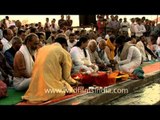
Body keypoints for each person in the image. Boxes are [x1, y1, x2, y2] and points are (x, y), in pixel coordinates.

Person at [22, 37, 79, 103]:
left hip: (35, 85)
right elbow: (67, 77)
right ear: (63, 45)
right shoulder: (64, 52)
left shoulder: (42, 49)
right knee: (69, 89)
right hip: (49, 87)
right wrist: (75, 82)